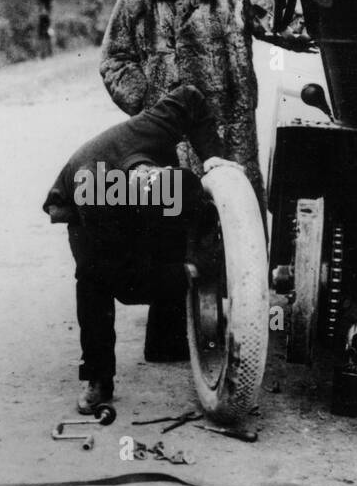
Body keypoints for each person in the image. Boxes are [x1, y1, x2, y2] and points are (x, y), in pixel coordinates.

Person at [43, 85, 241, 414]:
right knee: (94, 282)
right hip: (83, 206)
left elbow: (190, 97)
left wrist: (212, 156)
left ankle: (167, 344)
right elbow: (125, 284)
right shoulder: (96, 199)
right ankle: (98, 378)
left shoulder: (152, 129)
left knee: (176, 232)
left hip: (130, 188)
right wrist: (187, 273)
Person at [100, 0, 311, 218]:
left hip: (231, 127)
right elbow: (114, 58)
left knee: (237, 219)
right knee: (175, 213)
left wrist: (312, 23)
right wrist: (147, 104)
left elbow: (278, 24)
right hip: (169, 131)